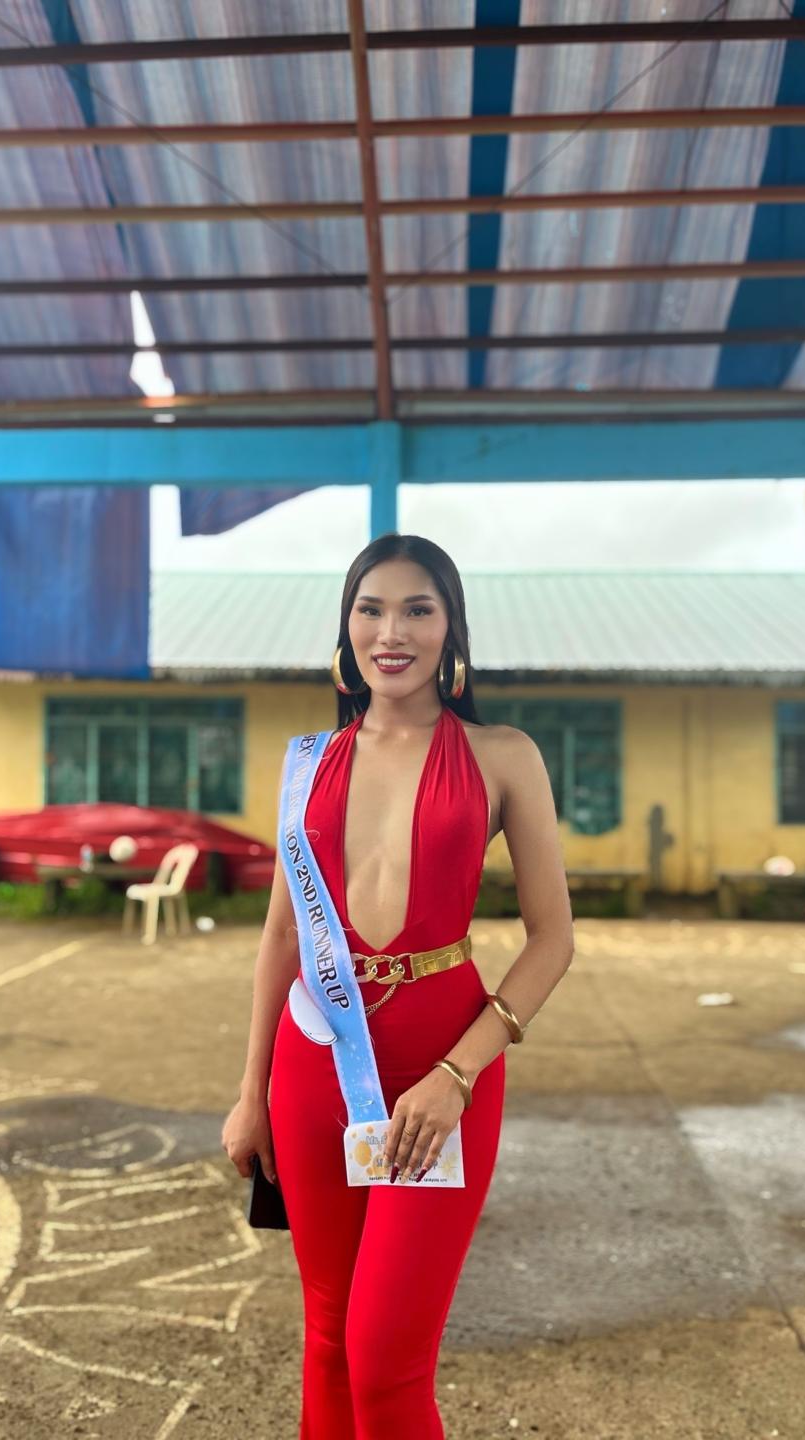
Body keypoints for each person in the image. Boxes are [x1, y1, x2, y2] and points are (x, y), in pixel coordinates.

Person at [222, 533, 574, 1438]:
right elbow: (282, 936)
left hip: (441, 1070)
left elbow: (552, 940)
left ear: (451, 628)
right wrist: (253, 1092)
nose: (392, 632)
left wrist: (458, 1075)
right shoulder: (308, 762)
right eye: (370, 609)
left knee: (386, 1361)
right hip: (314, 1068)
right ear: (346, 628)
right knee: (329, 1338)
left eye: (418, 609)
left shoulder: (503, 755)